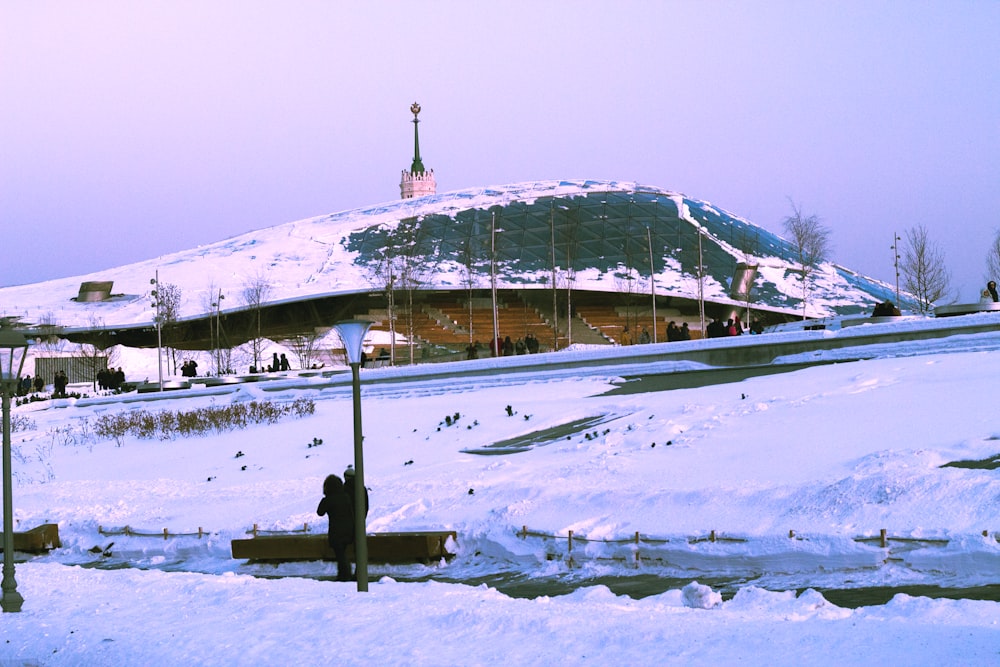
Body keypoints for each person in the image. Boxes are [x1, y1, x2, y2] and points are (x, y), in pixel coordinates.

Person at [316, 474, 355, 582]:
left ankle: (344, 575)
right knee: (342, 553)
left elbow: (320, 512)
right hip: (349, 529)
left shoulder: (329, 499)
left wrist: (324, 499)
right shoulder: (346, 496)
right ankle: (345, 574)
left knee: (340, 554)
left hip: (336, 530)